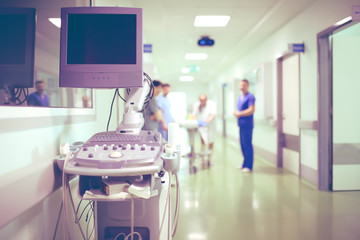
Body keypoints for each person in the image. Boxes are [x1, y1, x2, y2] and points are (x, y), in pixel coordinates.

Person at [233, 79, 255, 173]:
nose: (242, 86)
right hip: (241, 124)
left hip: (247, 125)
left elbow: (251, 110)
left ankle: (249, 166)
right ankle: (244, 164)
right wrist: (236, 113)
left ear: (248, 86)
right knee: (243, 145)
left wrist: (239, 113)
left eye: (244, 85)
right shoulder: (240, 97)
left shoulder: (250, 97)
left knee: (248, 145)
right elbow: (239, 109)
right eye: (241, 85)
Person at [192, 93, 216, 166]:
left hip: (210, 126)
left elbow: (213, 115)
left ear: (206, 99)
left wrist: (206, 121)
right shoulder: (197, 105)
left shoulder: (211, 104)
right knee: (203, 142)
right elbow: (194, 115)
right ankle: (202, 159)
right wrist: (195, 122)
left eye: (203, 100)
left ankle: (209, 159)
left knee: (211, 142)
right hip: (201, 127)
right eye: (200, 100)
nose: (202, 101)